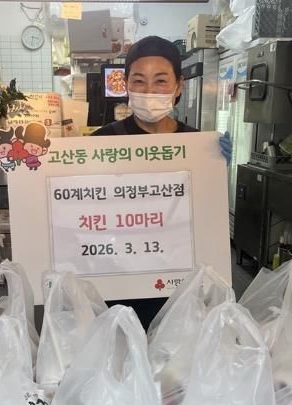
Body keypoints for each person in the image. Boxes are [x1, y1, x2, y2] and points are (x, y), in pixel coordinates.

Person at [92, 36, 232, 327]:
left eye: (160, 81)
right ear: (126, 85)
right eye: (139, 81)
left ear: (179, 85)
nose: (149, 91)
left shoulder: (197, 145)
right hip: (119, 278)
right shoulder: (102, 142)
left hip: (179, 279)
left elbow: (206, 214)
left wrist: (216, 169)